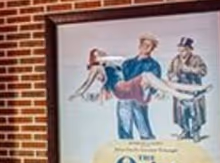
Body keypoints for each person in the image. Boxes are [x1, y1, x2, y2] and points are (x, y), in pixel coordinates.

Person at [68, 36, 209, 139]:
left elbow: (156, 84)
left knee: (159, 83)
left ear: (153, 49)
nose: (146, 48)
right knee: (125, 128)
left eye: (150, 46)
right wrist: (78, 94)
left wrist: (155, 92)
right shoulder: (125, 63)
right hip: (125, 93)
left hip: (139, 94)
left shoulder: (153, 64)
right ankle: (185, 95)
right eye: (144, 45)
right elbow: (93, 83)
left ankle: (193, 91)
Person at [167, 36, 208, 141]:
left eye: (184, 50)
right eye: (180, 50)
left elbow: (203, 71)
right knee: (181, 112)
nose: (182, 52)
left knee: (195, 112)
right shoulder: (175, 60)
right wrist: (172, 77)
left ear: (190, 49)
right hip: (180, 91)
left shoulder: (196, 59)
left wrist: (190, 69)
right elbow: (169, 72)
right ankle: (185, 130)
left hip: (193, 90)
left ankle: (196, 131)